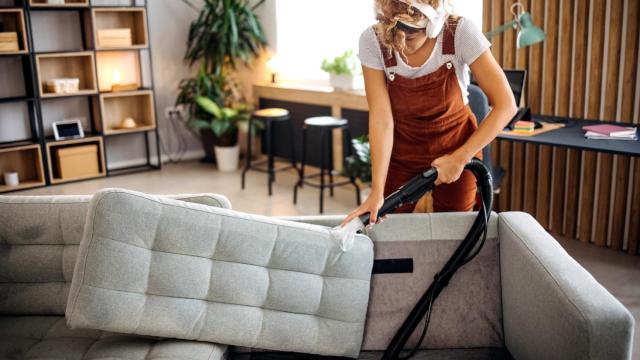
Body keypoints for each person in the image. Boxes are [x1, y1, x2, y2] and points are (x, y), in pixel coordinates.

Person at [341, 0, 517, 227]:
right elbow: (381, 119)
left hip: (457, 146)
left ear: (433, 25)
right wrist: (376, 191)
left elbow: (506, 105)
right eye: (392, 35)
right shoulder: (372, 40)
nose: (400, 45)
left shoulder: (460, 32)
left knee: (455, 230)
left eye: (410, 36)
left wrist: (460, 158)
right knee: (386, 226)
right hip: (402, 151)